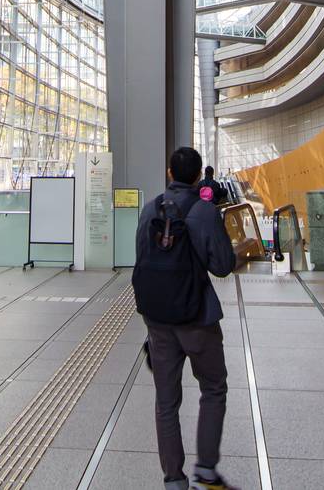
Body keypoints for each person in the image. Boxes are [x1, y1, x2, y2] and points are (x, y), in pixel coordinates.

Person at [133, 146, 238, 490]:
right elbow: (222, 266)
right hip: (197, 318)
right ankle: (206, 469)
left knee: (166, 402)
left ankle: (173, 480)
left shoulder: (150, 209)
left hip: (158, 320)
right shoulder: (204, 211)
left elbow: (143, 257)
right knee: (213, 386)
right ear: (197, 177)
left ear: (169, 173)